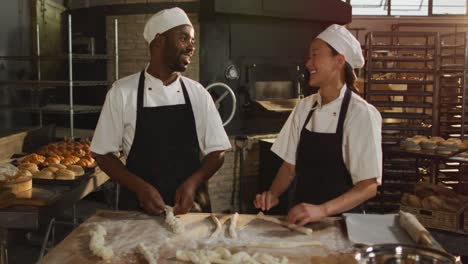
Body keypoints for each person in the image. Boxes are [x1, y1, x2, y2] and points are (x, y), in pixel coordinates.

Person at [91, 7, 231, 215]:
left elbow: (218, 151)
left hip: (190, 210)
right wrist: (140, 187)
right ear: (159, 42)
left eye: (192, 40)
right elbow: (102, 153)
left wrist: (193, 183)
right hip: (139, 210)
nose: (191, 47)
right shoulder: (122, 92)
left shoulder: (197, 93)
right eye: (184, 38)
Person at [254, 24, 382, 226]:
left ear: (339, 61)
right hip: (302, 220)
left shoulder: (360, 113)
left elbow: (368, 186)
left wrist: (322, 211)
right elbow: (289, 166)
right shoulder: (305, 107)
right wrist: (273, 194)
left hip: (344, 225)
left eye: (315, 55)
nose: (308, 63)